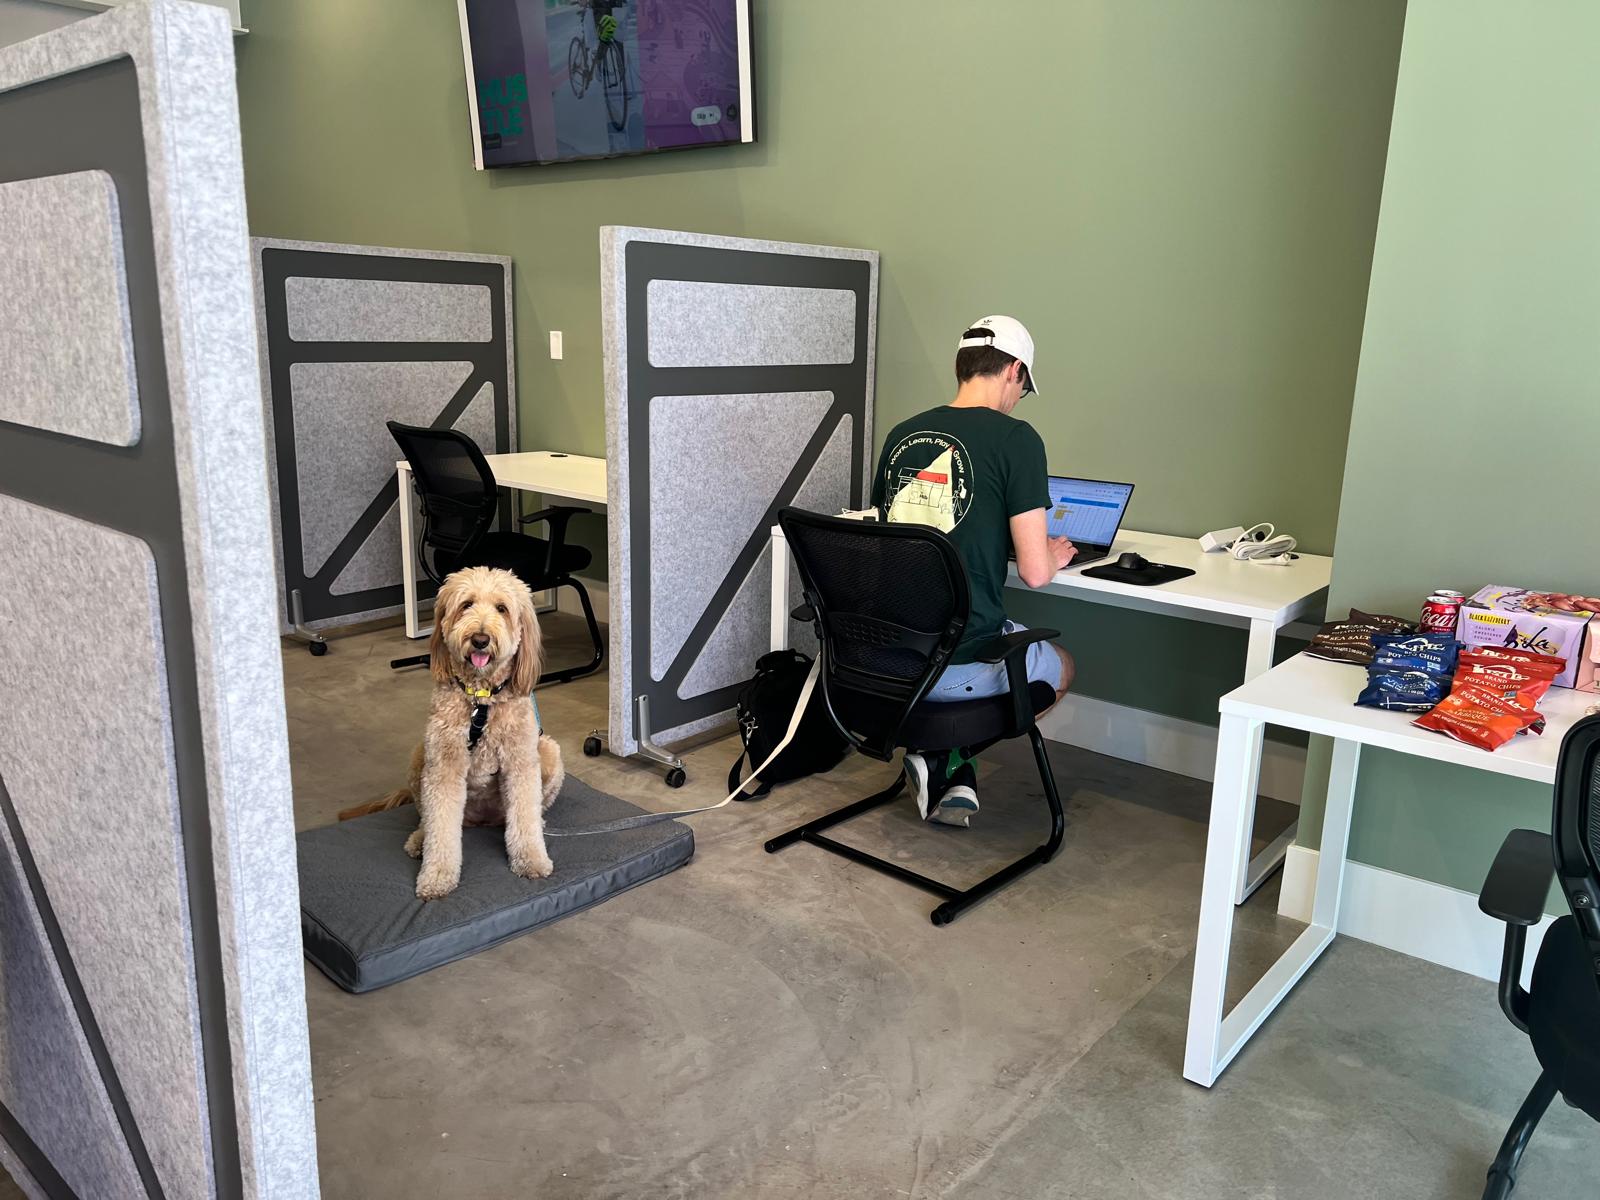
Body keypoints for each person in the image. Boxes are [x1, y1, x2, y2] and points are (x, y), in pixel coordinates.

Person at [870, 315, 1076, 826]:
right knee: (1065, 665)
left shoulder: (903, 434)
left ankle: (941, 758)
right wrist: (1054, 553)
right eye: (1023, 387)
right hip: (954, 667)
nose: (1018, 397)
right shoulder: (1017, 439)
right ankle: (948, 754)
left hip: (885, 657)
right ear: (1013, 371)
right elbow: (1034, 574)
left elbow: (899, 533)